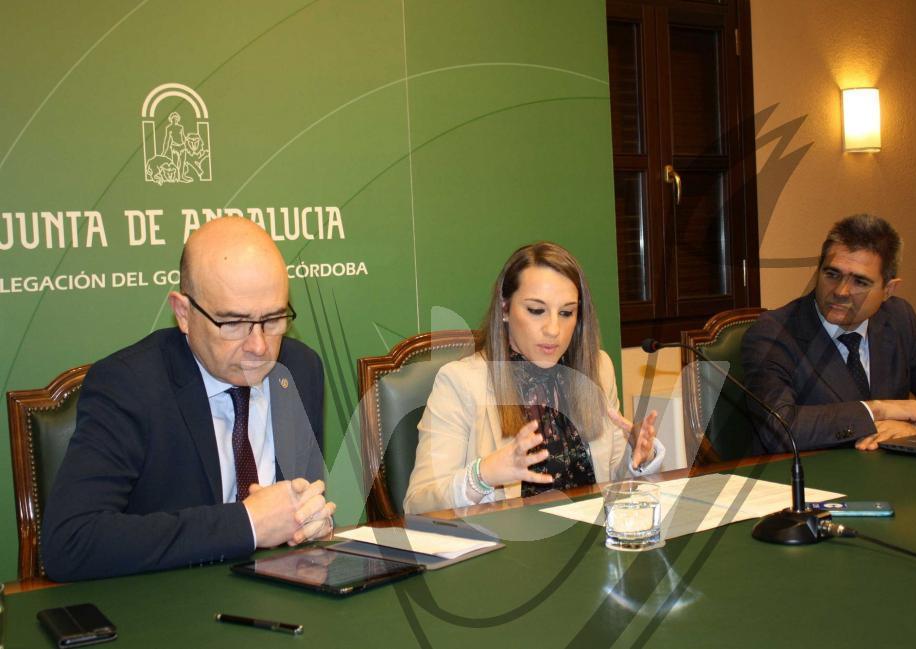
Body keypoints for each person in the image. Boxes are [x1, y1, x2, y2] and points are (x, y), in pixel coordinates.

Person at [42, 217, 336, 581]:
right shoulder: (129, 386)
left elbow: (297, 509)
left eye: (274, 319)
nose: (259, 346)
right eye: (233, 323)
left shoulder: (299, 369)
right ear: (184, 313)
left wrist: (309, 519)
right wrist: (247, 523)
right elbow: (70, 543)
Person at [404, 242, 665, 514]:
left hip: (590, 535)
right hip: (511, 539)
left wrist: (638, 457)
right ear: (505, 309)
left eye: (566, 313)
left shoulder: (598, 369)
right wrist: (482, 476)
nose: (553, 329)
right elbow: (418, 503)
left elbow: (612, 484)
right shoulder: (460, 382)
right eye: (536, 310)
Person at [741, 214, 916, 453]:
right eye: (832, 274)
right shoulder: (774, 331)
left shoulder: (899, 319)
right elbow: (778, 429)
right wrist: (877, 410)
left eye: (860, 282)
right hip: (814, 473)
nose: (841, 292)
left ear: (888, 289)